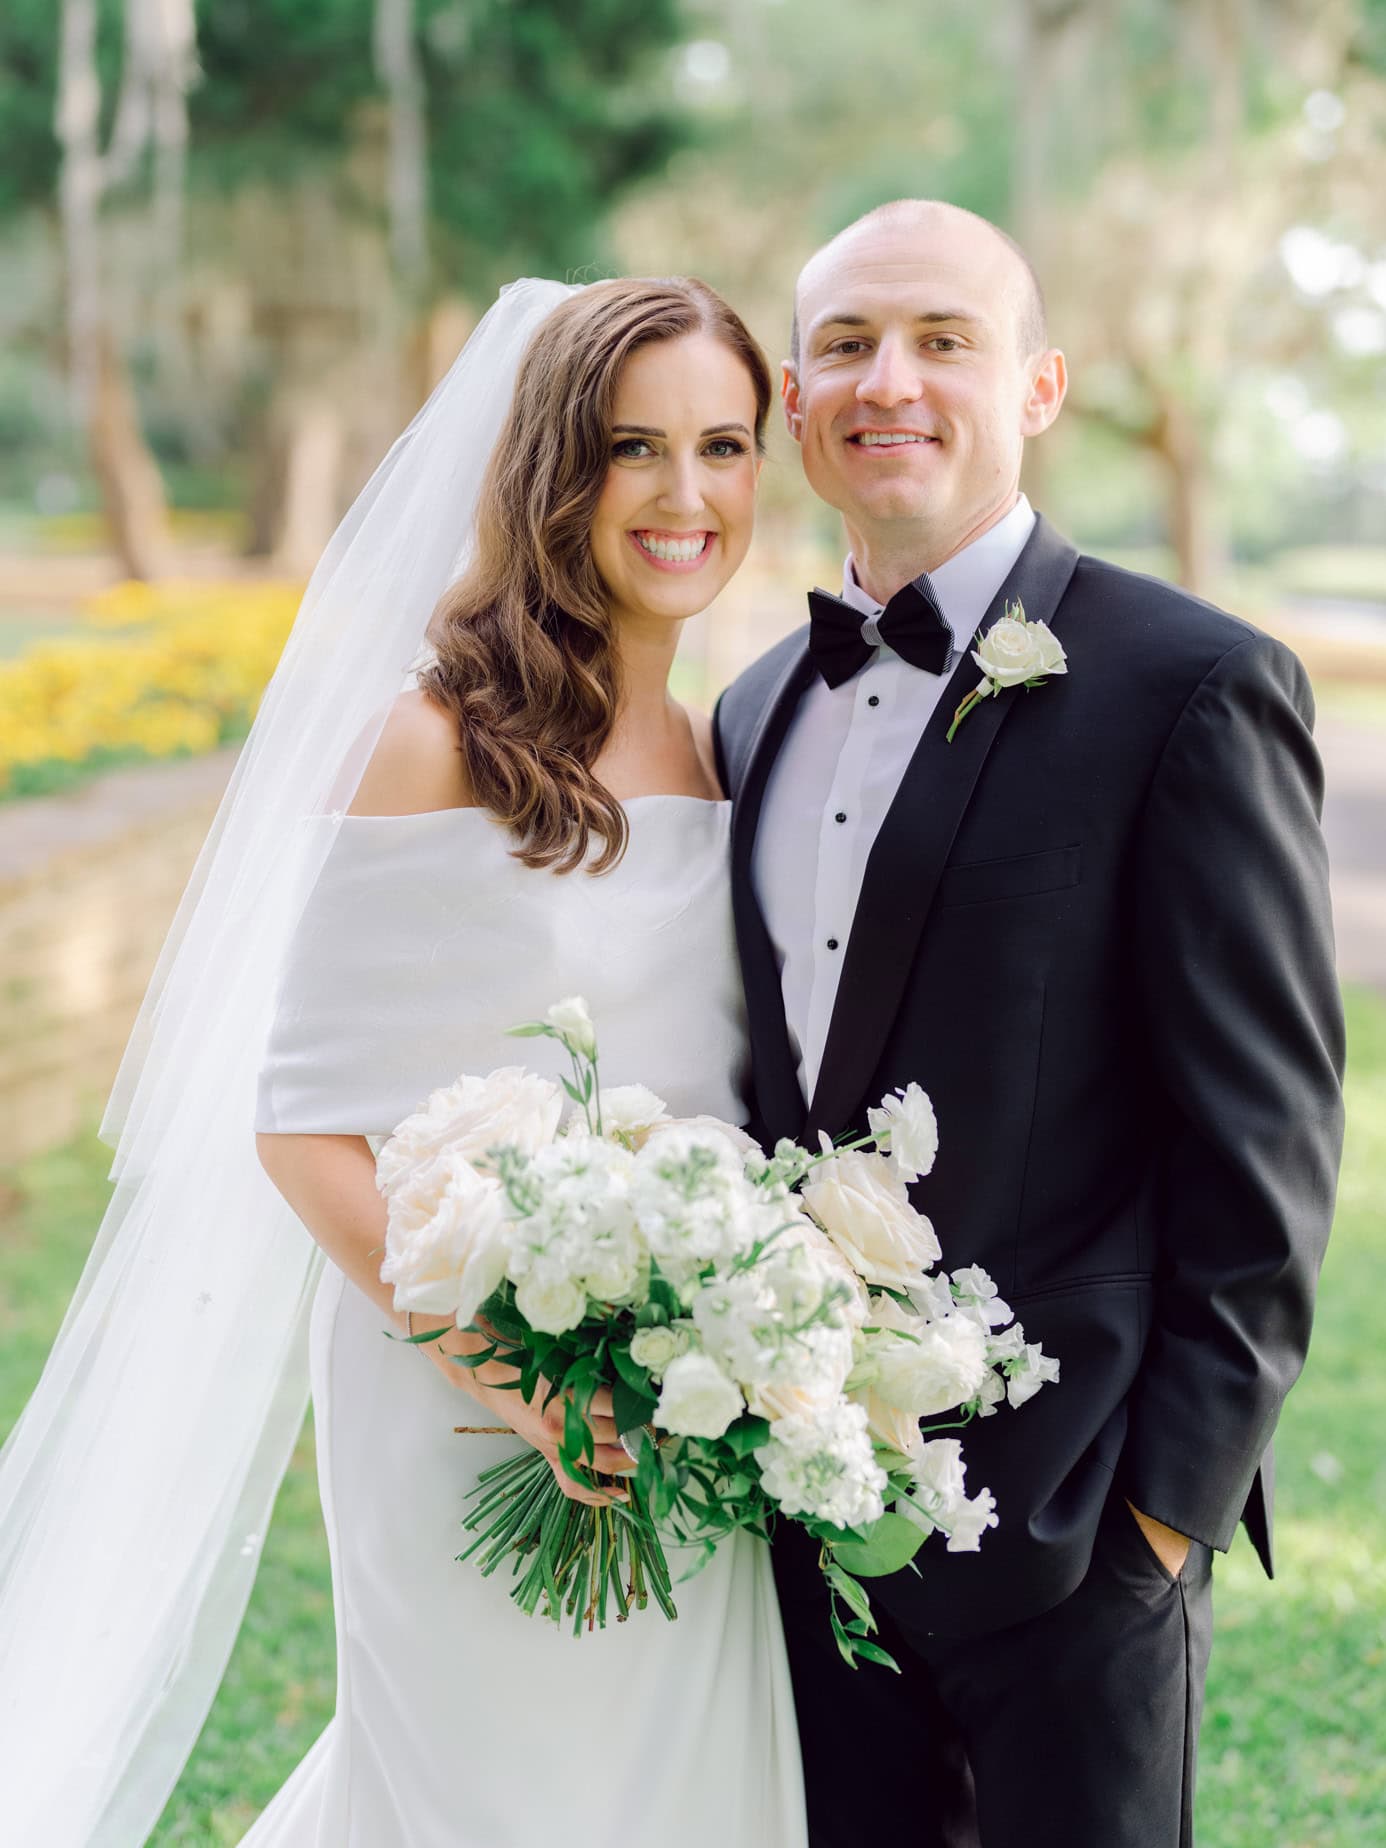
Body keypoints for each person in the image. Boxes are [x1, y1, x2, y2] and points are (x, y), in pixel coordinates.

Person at [0, 278, 805, 1848]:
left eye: (723, 445)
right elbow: (305, 1129)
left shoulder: (718, 743)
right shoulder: (438, 743)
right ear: (552, 469)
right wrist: (525, 1392)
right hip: (458, 1395)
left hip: (685, 1396)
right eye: (633, 448)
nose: (685, 494)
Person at [713, 200, 1345, 1848]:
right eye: (844, 344)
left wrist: (1159, 1521)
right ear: (794, 401)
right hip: (792, 1518)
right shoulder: (749, 707)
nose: (888, 380)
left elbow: (1264, 1139)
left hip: (1076, 1524)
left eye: (944, 339)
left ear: (1039, 386)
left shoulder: (1190, 685)